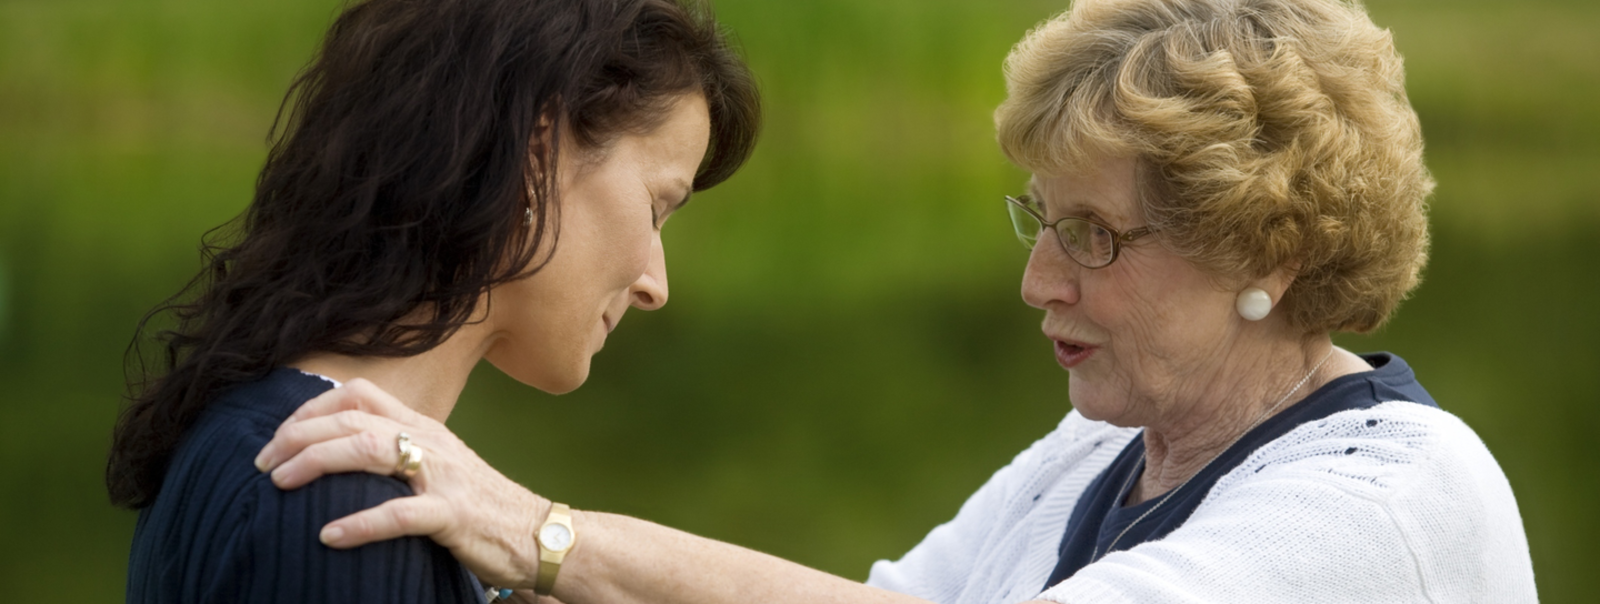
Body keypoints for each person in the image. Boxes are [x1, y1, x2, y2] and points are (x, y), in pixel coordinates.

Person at [250, 0, 1539, 602]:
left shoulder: (1391, 500)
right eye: (1041, 219)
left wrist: (539, 531)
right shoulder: (1098, 450)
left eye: (1094, 235)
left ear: (1272, 254)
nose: (1040, 279)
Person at [105, 0, 760, 602]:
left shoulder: (244, 430)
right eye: (655, 208)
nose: (655, 285)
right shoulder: (347, 501)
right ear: (536, 157)